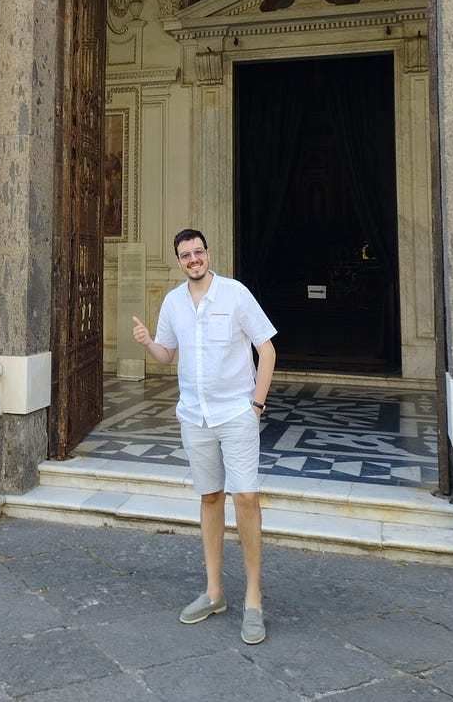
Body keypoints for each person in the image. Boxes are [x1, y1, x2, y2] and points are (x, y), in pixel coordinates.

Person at [132, 229, 276, 645]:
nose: (193, 259)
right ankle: (214, 592)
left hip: (236, 414)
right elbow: (166, 355)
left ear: (208, 254)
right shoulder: (174, 302)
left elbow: (267, 350)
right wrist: (148, 343)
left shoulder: (235, 294)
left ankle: (253, 598)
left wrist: (256, 406)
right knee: (210, 497)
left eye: (198, 252)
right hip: (194, 416)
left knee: (246, 498)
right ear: (178, 260)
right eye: (185, 255)